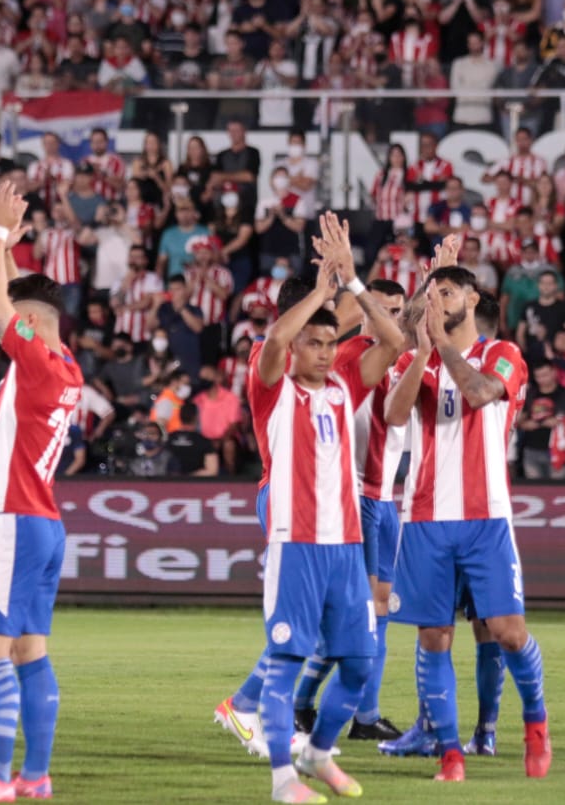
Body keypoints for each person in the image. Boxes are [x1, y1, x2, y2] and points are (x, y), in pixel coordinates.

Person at [385, 265, 550, 782]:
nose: (439, 301)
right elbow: (394, 414)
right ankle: (450, 755)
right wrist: (422, 350)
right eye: (432, 294)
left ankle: (536, 726)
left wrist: (441, 347)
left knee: (507, 632)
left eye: (449, 292)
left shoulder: (503, 354)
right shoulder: (418, 359)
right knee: (434, 637)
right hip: (425, 518)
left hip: (486, 518)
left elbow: (478, 393)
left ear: (473, 299)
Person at [0, 183, 84, 803]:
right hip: (45, 523)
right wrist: (8, 251)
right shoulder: (66, 366)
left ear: (28, 326)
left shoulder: (31, 360)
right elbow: (7, 296)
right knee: (30, 650)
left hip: (13, 519)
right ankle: (36, 776)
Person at [249, 252, 376, 804]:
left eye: (330, 344)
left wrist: (348, 279)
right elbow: (279, 342)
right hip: (296, 544)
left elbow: (379, 333)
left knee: (359, 664)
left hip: (345, 546)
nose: (326, 353)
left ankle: (319, 753)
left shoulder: (341, 387)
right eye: (315, 342)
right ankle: (283, 781)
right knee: (284, 663)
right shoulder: (271, 381)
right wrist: (320, 295)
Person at [290, 274, 407, 743]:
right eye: (379, 308)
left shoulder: (399, 355)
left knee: (379, 610)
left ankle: (362, 714)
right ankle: (302, 702)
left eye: (396, 311)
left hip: (385, 497)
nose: (388, 318)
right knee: (354, 614)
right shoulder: (348, 355)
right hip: (356, 495)